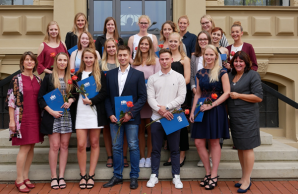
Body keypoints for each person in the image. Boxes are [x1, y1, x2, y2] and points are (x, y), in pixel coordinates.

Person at [103, 45, 147, 189]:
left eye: (125, 55)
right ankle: (117, 176)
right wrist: (110, 114)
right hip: (114, 118)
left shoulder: (138, 74)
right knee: (116, 147)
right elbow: (107, 97)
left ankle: (134, 176)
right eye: (120, 55)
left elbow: (142, 97)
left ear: (130, 57)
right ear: (117, 56)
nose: (122, 58)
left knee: (133, 146)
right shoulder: (109, 75)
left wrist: (130, 113)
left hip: (132, 118)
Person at [189, 45, 230, 190]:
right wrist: (193, 111)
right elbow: (198, 94)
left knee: (214, 142)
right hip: (201, 109)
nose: (209, 57)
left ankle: (214, 174)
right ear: (203, 56)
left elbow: (227, 93)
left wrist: (212, 105)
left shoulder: (222, 71)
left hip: (216, 110)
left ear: (216, 56)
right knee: (199, 142)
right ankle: (207, 172)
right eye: (206, 54)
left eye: (211, 54)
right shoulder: (200, 73)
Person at [146, 49, 185, 189]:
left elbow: (181, 97)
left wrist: (166, 108)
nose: (164, 61)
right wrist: (160, 110)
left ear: (171, 60)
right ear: (159, 60)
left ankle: (176, 177)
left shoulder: (179, 77)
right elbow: (150, 98)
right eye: (162, 59)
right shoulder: (153, 78)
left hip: (173, 117)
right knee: (156, 149)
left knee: (174, 149)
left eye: (167, 59)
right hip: (156, 118)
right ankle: (154, 176)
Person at [6, 52, 44, 193]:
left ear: (35, 63)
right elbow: (11, 101)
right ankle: (19, 179)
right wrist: (11, 120)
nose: (29, 62)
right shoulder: (16, 79)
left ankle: (26, 177)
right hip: (22, 118)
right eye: (26, 60)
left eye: (31, 60)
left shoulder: (38, 79)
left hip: (35, 117)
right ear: (22, 63)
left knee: (31, 147)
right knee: (24, 148)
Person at [71, 48, 107, 189]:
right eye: (86, 57)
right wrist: (70, 99)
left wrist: (92, 101)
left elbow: (104, 93)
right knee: (81, 145)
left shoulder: (100, 74)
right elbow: (73, 94)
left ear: (95, 59)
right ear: (82, 59)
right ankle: (82, 175)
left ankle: (91, 175)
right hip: (80, 112)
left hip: (94, 113)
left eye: (91, 57)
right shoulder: (77, 75)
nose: (88, 60)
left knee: (94, 143)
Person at [38, 52, 74, 190]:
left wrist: (71, 100)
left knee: (64, 146)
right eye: (60, 60)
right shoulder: (48, 78)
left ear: (67, 62)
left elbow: (76, 95)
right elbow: (40, 98)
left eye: (65, 60)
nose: (62, 62)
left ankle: (61, 176)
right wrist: (50, 111)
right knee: (54, 146)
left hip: (67, 116)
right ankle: (53, 177)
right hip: (52, 116)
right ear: (56, 62)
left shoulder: (71, 77)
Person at [228, 51, 262, 193]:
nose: (238, 64)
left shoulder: (252, 75)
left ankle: (247, 179)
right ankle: (243, 177)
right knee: (240, 147)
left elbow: (258, 97)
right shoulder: (230, 75)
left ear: (246, 62)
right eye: (236, 61)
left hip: (248, 117)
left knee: (247, 147)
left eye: (241, 61)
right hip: (234, 117)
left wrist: (239, 96)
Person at [132, 36, 161, 168]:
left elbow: (158, 81)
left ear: (150, 46)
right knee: (139, 129)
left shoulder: (156, 61)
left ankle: (149, 156)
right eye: (141, 44)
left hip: (150, 100)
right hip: (138, 100)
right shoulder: (134, 62)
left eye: (146, 44)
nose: (144, 46)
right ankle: (141, 157)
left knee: (150, 130)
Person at [100, 38, 128, 168]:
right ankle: (110, 155)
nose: (111, 49)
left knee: (124, 127)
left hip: (122, 100)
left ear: (117, 48)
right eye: (108, 47)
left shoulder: (123, 61)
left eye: (113, 47)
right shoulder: (101, 63)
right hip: (107, 100)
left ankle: (124, 156)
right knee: (107, 128)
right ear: (105, 49)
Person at [163, 32, 190, 167]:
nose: (173, 43)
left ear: (180, 43)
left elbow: (187, 78)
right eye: (171, 41)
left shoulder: (185, 59)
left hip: (180, 96)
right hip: (166, 96)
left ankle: (182, 153)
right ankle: (171, 154)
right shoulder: (165, 57)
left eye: (175, 41)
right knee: (169, 124)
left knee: (181, 126)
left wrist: (176, 89)